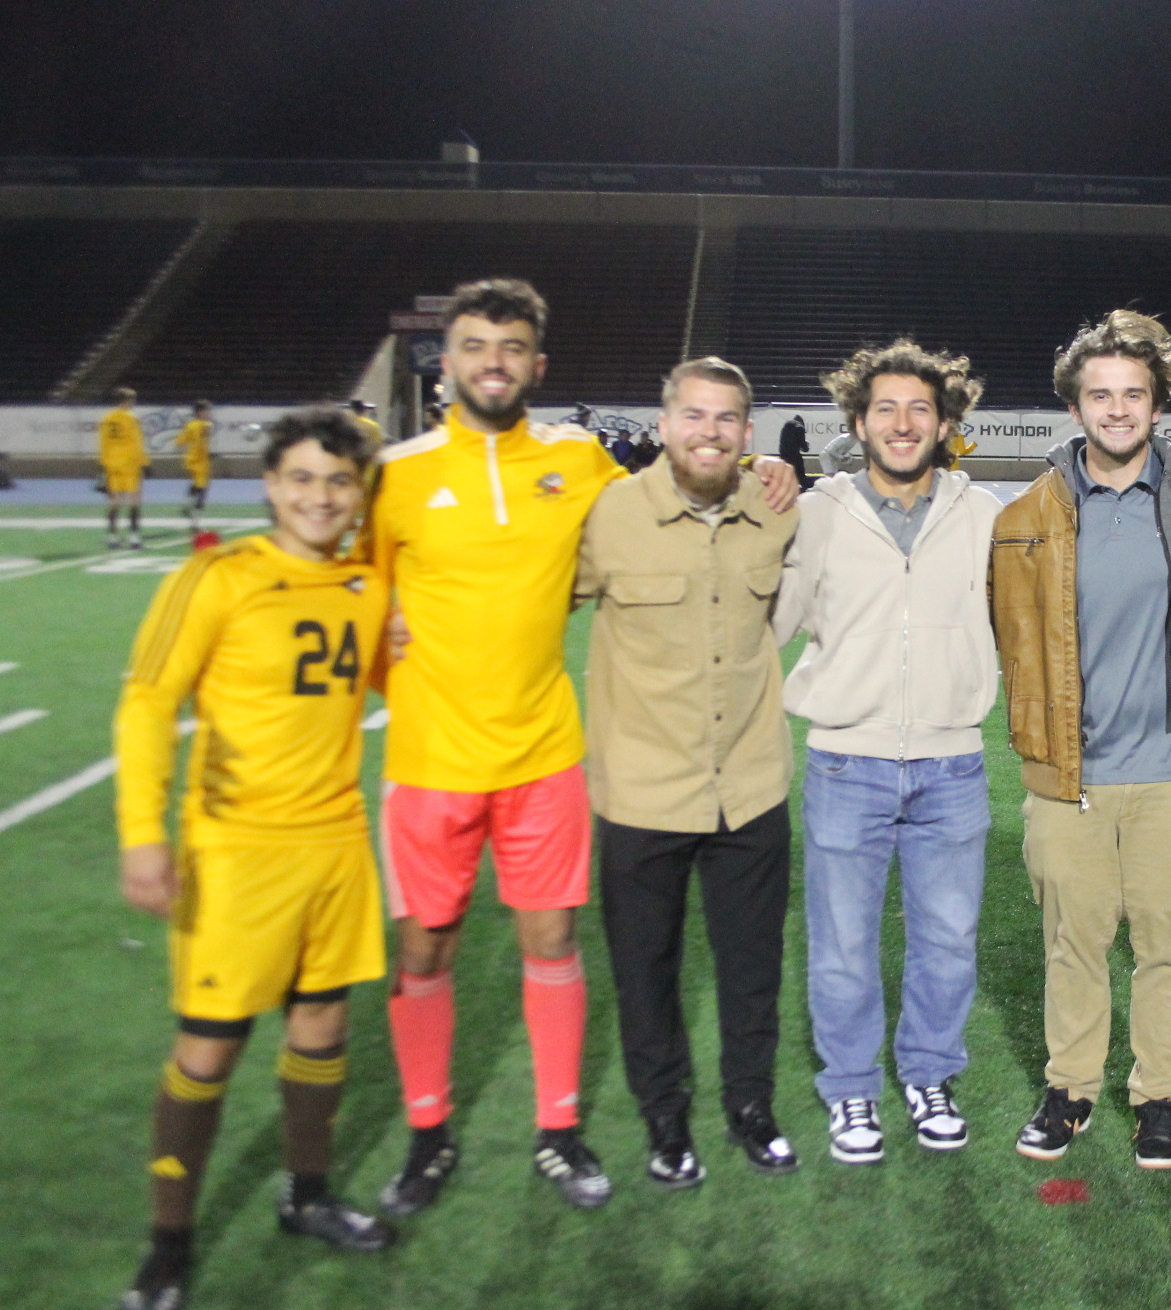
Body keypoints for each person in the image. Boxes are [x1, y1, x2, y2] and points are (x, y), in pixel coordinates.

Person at [369, 285, 797, 1214]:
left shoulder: (579, 465)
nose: (492, 361)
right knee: (425, 951)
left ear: (537, 365)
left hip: (546, 758)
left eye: (510, 347)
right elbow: (351, 600)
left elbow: (687, 488)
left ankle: (561, 1131)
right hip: (433, 761)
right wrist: (383, 644)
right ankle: (428, 1133)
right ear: (446, 362)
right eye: (474, 345)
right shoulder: (393, 474)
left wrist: (769, 465)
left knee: (557, 943)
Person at [113, 407, 392, 1310]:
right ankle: (169, 1240)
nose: (321, 495)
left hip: (336, 844)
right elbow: (148, 701)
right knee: (208, 1046)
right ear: (271, 484)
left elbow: (385, 672)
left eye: (339, 480)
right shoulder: (219, 576)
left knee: (321, 1025)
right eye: (302, 477)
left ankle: (306, 1193)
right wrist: (142, 833)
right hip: (236, 852)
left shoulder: (366, 585)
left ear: (358, 493)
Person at [993, 310, 1171, 1169]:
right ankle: (1070, 1087)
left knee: (1168, 947)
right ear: (1074, 407)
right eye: (1099, 394)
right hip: (1069, 770)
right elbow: (1000, 630)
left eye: (1133, 393)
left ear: (1157, 403)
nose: (1116, 408)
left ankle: (1160, 1097)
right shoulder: (1023, 516)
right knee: (1073, 943)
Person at [576, 357, 802, 1187]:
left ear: (747, 432)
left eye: (726, 418)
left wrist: (778, 470)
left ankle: (751, 1106)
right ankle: (665, 1118)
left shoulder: (776, 507)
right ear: (664, 424)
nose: (710, 432)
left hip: (749, 783)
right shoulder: (607, 514)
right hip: (643, 789)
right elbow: (530, 600)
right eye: (694, 416)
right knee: (646, 972)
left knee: (752, 969)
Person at [774, 341, 999, 1164]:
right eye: (885, 409)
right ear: (858, 422)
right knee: (841, 945)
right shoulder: (816, 512)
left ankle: (930, 1074)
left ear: (944, 422)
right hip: (846, 761)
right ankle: (852, 1088)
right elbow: (772, 622)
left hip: (952, 764)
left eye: (919, 409)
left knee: (949, 938)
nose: (902, 424)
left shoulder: (983, 514)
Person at [101, 387, 147, 550]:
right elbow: (137, 442)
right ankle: (134, 537)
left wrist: (104, 464)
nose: (133, 403)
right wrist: (145, 462)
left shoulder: (107, 418)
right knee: (135, 500)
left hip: (113, 464)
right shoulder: (131, 418)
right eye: (132, 400)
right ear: (126, 401)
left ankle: (112, 536)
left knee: (114, 500)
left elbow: (103, 442)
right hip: (129, 463)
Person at [175, 401, 213, 534]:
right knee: (202, 491)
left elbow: (179, 441)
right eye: (206, 411)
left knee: (196, 486)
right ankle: (195, 524)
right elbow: (201, 444)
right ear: (200, 412)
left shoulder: (190, 425)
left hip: (190, 460)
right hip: (200, 461)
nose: (208, 414)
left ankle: (187, 503)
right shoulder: (204, 425)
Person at [779, 413, 810, 485]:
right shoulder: (800, 427)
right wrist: (806, 447)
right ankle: (805, 484)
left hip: (783, 454)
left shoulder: (786, 426)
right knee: (800, 472)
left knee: (784, 473)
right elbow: (803, 445)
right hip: (794, 455)